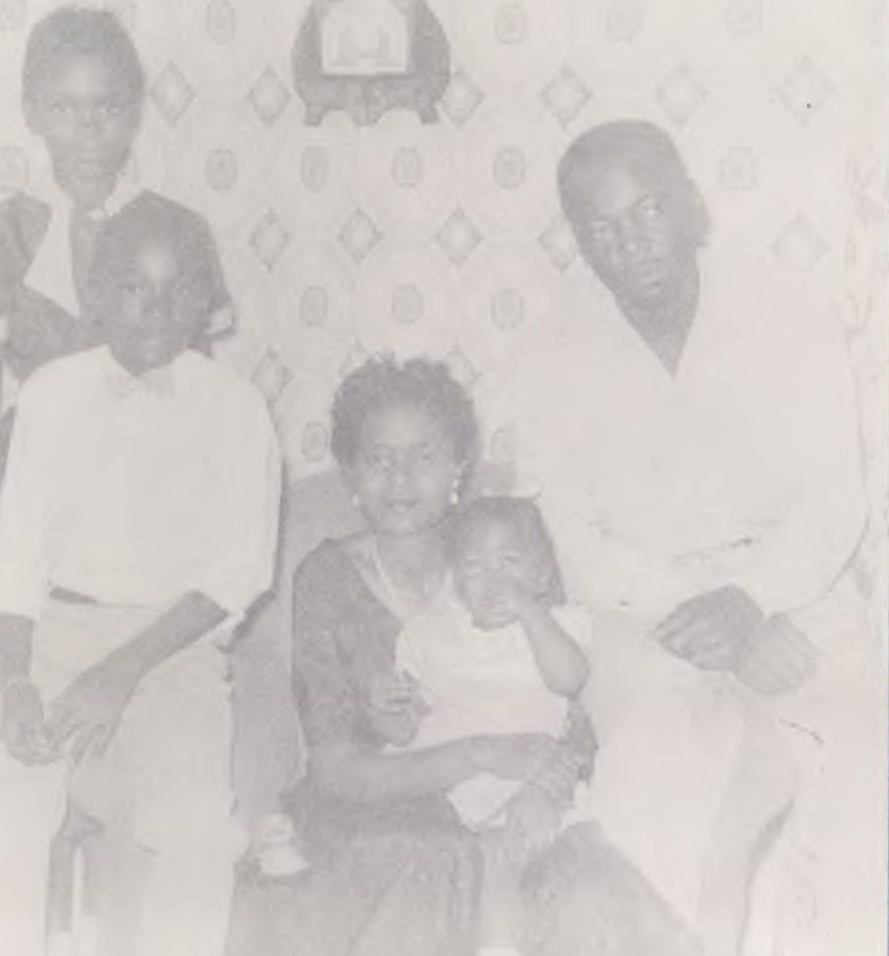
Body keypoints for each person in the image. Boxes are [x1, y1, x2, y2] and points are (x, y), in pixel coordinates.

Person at [491, 119, 882, 955]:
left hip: (795, 600)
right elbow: (574, 539)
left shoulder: (784, 306)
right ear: (577, 240)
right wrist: (706, 616)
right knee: (654, 790)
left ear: (690, 205)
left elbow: (832, 498)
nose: (630, 244)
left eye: (648, 211)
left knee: (860, 774)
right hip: (644, 617)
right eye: (600, 228)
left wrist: (753, 603)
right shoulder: (549, 352)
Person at [236, 355, 699, 956]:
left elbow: (569, 700)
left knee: (593, 887)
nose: (401, 478)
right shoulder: (326, 577)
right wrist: (477, 753)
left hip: (518, 795)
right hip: (377, 814)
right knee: (437, 863)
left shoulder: (507, 552)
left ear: (459, 465)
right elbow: (335, 766)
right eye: (378, 459)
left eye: (424, 456)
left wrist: (545, 788)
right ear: (349, 473)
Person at [0, 194, 281, 956]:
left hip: (174, 650)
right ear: (93, 294)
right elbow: (15, 554)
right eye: (131, 286)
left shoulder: (235, 410)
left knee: (195, 825)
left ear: (206, 301)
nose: (154, 310)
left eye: (177, 290)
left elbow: (235, 573)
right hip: (52, 639)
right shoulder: (52, 395)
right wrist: (17, 680)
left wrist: (119, 674)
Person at [0, 5, 235, 811]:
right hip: (22, 500)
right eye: (66, 108)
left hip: (140, 501)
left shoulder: (176, 232)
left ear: (134, 109)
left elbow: (199, 404)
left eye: (107, 106)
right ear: (32, 112)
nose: (89, 130)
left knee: (150, 713)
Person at [392, 495, 593, 956]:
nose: (493, 578)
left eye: (509, 562)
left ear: (541, 576)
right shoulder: (429, 633)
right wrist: (389, 704)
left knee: (501, 868)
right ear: (455, 578)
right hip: (442, 783)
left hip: (523, 782)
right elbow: (406, 724)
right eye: (474, 565)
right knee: (429, 873)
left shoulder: (560, 626)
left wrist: (531, 611)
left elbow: (569, 679)